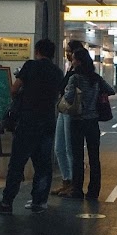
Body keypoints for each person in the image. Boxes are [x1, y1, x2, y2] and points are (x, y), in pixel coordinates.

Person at [0, 39, 64, 215]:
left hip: (28, 122)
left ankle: (6, 203)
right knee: (43, 165)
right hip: (47, 122)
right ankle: (39, 201)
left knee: (17, 164)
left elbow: (14, 89)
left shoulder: (30, 66)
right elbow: (59, 94)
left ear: (37, 51)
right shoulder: (57, 72)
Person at [62, 47, 116, 200]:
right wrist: (96, 94)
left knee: (78, 157)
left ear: (77, 61)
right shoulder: (95, 78)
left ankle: (77, 190)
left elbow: (68, 97)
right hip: (92, 121)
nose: (71, 61)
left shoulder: (75, 78)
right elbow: (110, 90)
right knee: (94, 157)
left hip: (77, 121)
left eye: (73, 59)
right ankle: (93, 191)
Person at [53, 40, 83, 197]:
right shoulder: (70, 68)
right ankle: (66, 180)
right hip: (63, 109)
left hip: (72, 111)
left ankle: (73, 183)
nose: (67, 53)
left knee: (70, 148)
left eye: (69, 50)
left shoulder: (80, 71)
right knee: (59, 147)